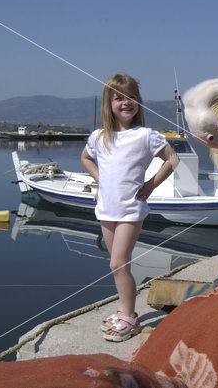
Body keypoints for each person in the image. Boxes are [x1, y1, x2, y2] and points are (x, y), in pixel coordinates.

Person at [81, 74, 179, 342]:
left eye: (132, 98)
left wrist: (150, 185)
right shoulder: (100, 137)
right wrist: (100, 181)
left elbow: (172, 159)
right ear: (108, 103)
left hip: (130, 210)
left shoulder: (146, 136)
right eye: (120, 98)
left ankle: (130, 317)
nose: (127, 102)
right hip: (106, 209)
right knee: (117, 266)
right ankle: (125, 308)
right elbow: (86, 158)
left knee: (117, 262)